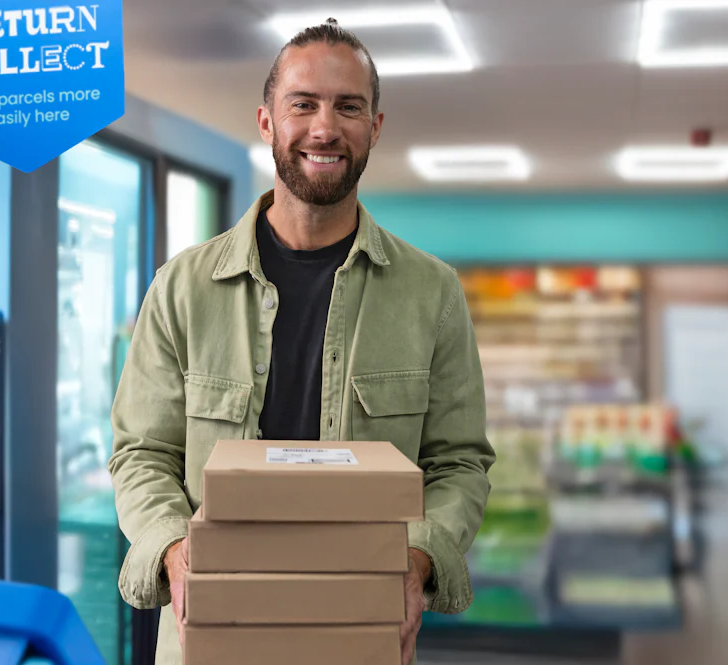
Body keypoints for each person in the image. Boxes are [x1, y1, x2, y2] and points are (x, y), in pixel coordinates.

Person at [109, 18, 496, 665]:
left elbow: (459, 462)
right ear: (266, 122)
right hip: (211, 635)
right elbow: (141, 452)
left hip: (361, 634)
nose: (325, 127)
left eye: (349, 107)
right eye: (304, 104)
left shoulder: (432, 294)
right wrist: (176, 551)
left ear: (374, 128)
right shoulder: (182, 288)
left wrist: (419, 555)